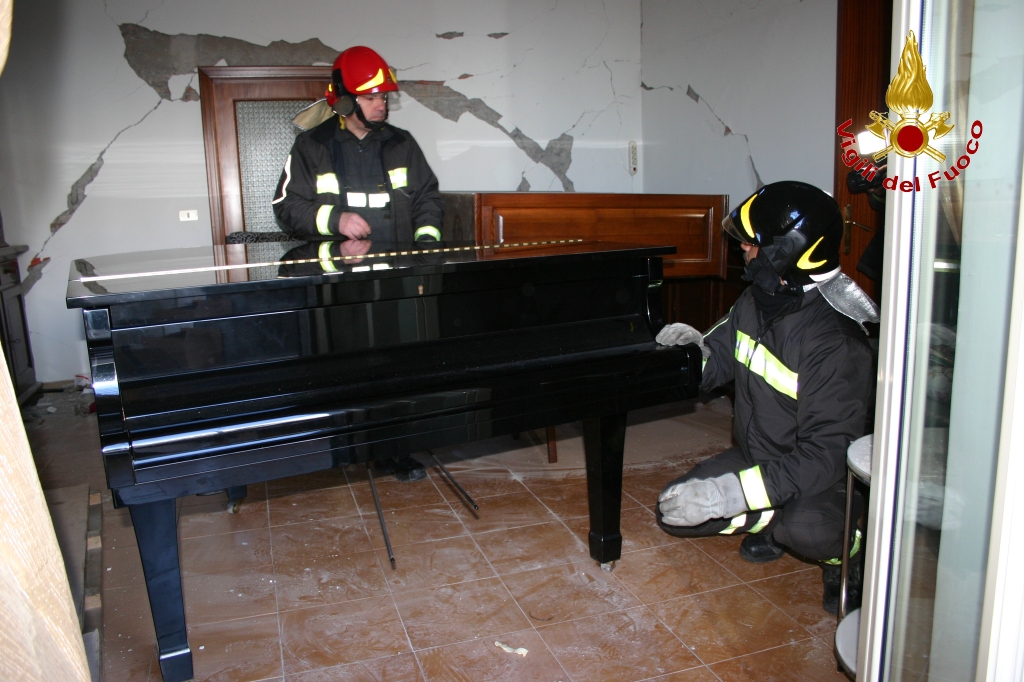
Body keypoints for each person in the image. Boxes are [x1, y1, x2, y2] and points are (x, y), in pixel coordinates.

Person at [654, 181, 879, 613]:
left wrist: (732, 495)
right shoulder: (756, 301)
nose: (743, 249)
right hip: (760, 455)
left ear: (787, 250)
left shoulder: (835, 340)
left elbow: (826, 455)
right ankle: (771, 520)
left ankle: (848, 552)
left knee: (807, 528)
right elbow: (716, 359)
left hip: (821, 479)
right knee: (674, 509)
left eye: (752, 243)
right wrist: (686, 355)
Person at [272, 45, 445, 481]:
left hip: (398, 285)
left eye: (384, 97)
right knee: (348, 371)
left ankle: (395, 449)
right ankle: (344, 448)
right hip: (340, 287)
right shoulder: (312, 147)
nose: (381, 104)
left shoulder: (402, 144)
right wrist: (334, 219)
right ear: (346, 101)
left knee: (400, 369)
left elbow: (427, 198)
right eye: (372, 98)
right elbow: (285, 207)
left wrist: (426, 247)